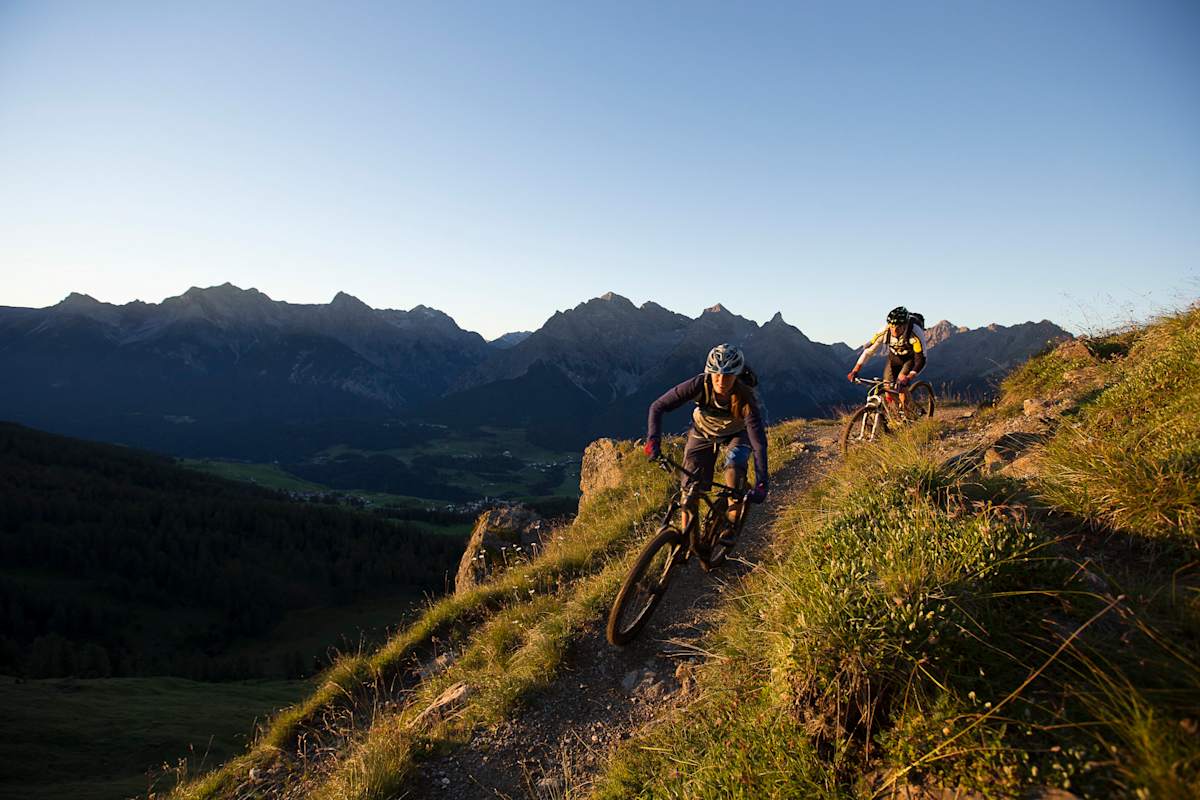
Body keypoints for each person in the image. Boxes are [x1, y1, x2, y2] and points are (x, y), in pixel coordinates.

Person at [643, 343, 768, 536]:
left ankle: (731, 528)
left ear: (736, 375)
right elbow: (657, 406)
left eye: (727, 375)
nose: (721, 379)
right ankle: (687, 538)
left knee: (734, 473)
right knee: (689, 488)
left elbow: (758, 443)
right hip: (702, 431)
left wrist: (762, 483)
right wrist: (653, 441)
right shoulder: (699, 384)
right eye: (716, 373)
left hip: (737, 434)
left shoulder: (745, 398)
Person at [847, 306, 927, 416]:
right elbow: (868, 351)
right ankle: (896, 416)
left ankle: (911, 412)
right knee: (887, 387)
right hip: (894, 359)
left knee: (901, 384)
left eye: (898, 327)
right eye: (892, 326)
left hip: (910, 360)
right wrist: (855, 370)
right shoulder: (884, 331)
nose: (894, 330)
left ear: (905, 325)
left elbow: (921, 360)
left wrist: (908, 377)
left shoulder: (915, 333)